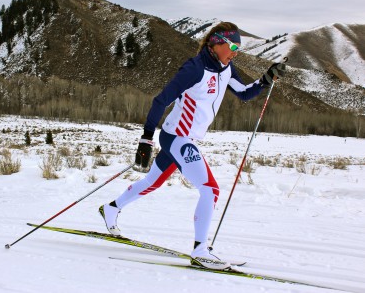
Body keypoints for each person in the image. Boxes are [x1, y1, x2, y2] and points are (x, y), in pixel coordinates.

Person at [99, 22, 285, 270]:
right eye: (231, 46)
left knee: (152, 182)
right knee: (210, 189)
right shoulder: (194, 69)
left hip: (184, 139)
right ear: (216, 42)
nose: (235, 52)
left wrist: (266, 79)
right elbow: (161, 100)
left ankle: (111, 209)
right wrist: (146, 138)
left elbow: (244, 93)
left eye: (238, 48)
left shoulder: (227, 68)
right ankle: (200, 251)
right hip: (177, 137)